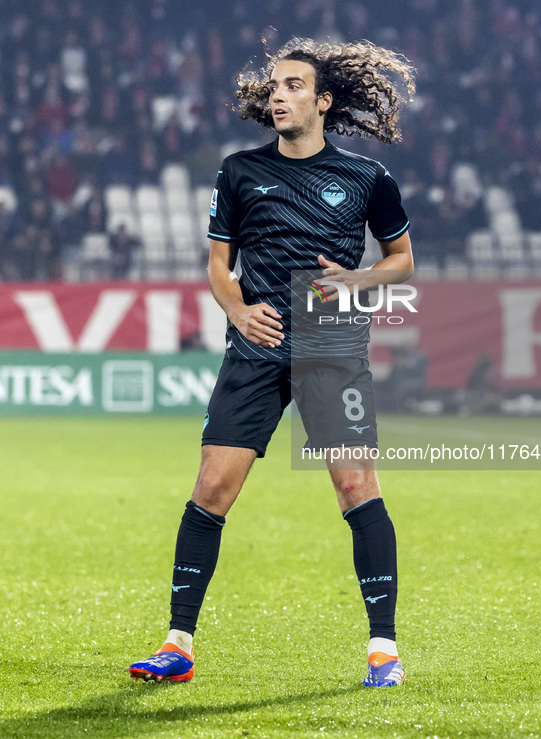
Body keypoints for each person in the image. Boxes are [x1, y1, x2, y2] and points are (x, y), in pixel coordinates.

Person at [129, 37, 416, 688]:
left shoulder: (367, 179)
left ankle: (382, 650)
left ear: (322, 100)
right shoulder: (238, 171)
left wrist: (355, 280)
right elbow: (216, 265)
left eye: (291, 86)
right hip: (256, 341)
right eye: (273, 87)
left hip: (330, 342)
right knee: (212, 487)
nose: (277, 95)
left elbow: (401, 260)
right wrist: (234, 312)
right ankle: (176, 645)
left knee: (354, 487)